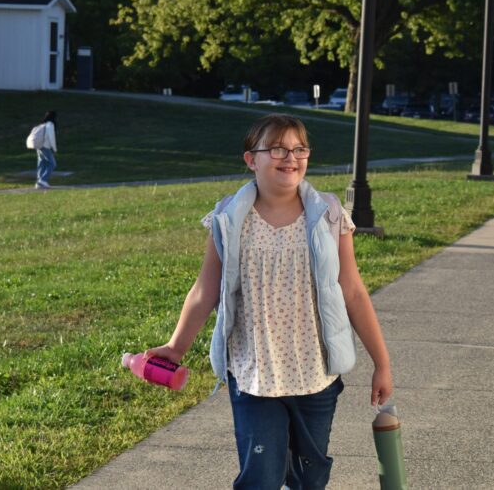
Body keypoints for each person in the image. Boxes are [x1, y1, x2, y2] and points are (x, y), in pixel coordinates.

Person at [143, 114, 394, 489]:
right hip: (254, 375)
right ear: (251, 159)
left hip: (315, 375)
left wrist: (382, 363)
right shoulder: (229, 218)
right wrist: (176, 346)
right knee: (260, 478)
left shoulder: (328, 215)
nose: (289, 157)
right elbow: (204, 289)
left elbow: (353, 290)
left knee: (310, 479)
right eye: (277, 148)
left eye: (298, 149)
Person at [35, 111, 58, 189]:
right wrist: (54, 149)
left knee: (42, 163)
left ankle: (39, 182)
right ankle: (43, 180)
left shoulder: (42, 124)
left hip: (39, 146)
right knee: (53, 163)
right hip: (46, 147)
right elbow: (51, 138)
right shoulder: (50, 125)